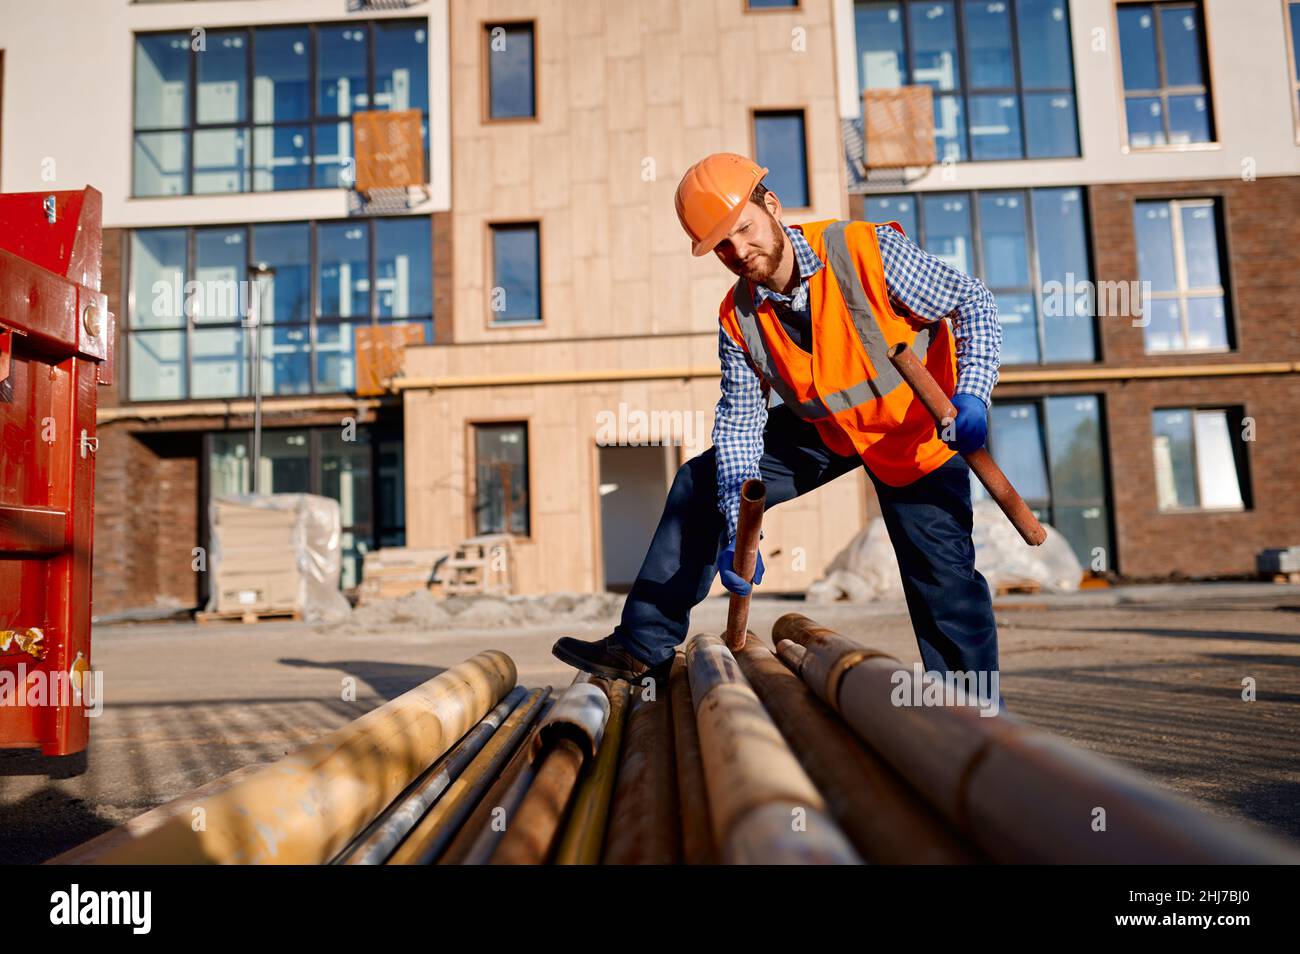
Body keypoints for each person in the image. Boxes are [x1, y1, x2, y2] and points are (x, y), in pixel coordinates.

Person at [552, 152, 1002, 699]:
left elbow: (972, 302)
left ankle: (974, 719)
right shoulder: (737, 316)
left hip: (918, 429)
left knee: (945, 585)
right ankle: (641, 647)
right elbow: (742, 424)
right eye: (721, 245)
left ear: (773, 206)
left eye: (744, 229)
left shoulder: (865, 251)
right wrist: (738, 520)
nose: (739, 252)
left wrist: (972, 395)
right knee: (700, 483)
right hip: (832, 432)